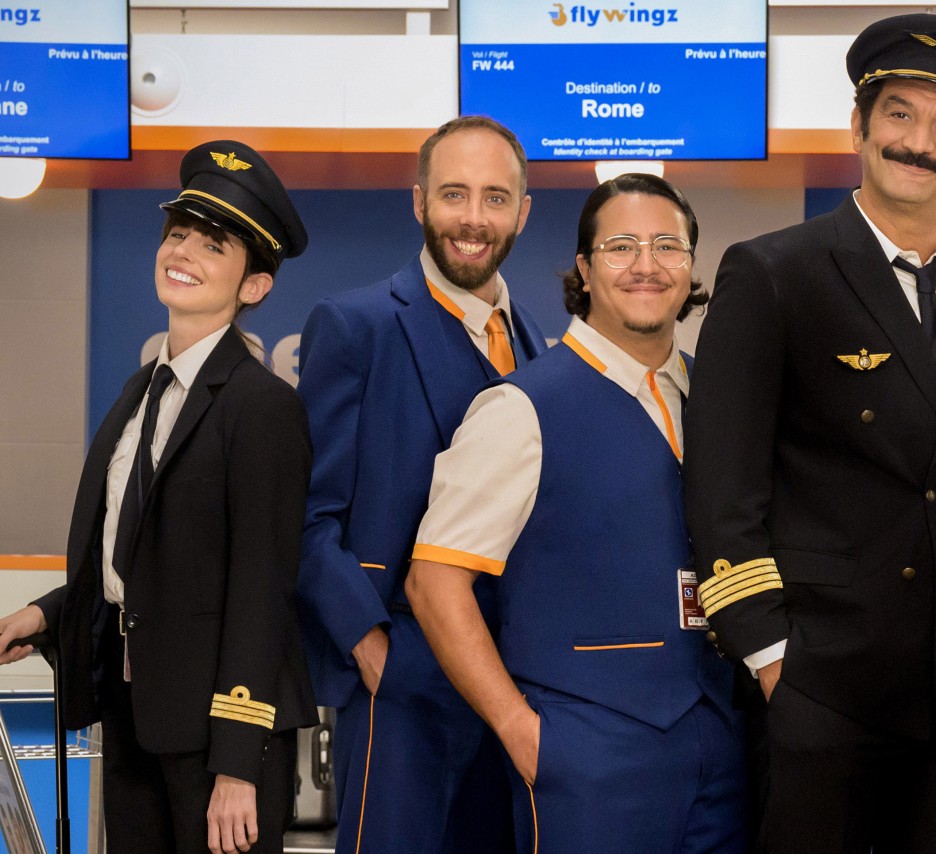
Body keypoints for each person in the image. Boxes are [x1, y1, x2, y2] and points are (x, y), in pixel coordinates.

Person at [683, 13, 936, 852]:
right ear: (857, 126)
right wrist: (775, 661)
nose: (918, 143)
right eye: (898, 114)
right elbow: (721, 491)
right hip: (826, 690)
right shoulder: (774, 271)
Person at [405, 173, 745, 853]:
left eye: (666, 247)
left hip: (722, 751)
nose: (646, 265)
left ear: (691, 267)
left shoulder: (720, 396)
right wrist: (522, 733)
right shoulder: (522, 407)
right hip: (584, 760)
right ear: (585, 271)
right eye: (621, 247)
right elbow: (434, 583)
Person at [0, 141, 316, 853]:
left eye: (214, 245)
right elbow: (141, 553)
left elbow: (261, 591)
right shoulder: (140, 392)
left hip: (218, 738)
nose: (184, 252)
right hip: (135, 710)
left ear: (255, 286)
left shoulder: (261, 405)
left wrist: (237, 763)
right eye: (178, 234)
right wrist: (48, 614)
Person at [295, 115, 547, 852]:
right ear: (418, 203)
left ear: (523, 212)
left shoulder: (538, 337)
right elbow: (308, 518)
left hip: (511, 681)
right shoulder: (356, 326)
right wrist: (372, 648)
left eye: (495, 198)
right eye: (454, 195)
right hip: (402, 685)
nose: (473, 219)